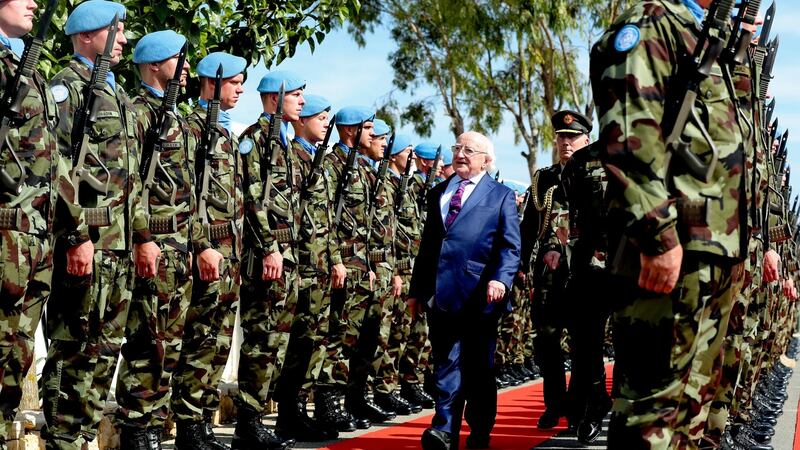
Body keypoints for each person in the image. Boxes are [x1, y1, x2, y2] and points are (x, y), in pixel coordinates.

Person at [591, 0, 747, 447]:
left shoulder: (702, 36)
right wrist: (658, 236)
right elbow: (628, 129)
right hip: (674, 246)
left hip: (711, 249)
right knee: (651, 412)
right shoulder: (653, 22)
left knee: (690, 414)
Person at [41, 2, 159, 448]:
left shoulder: (118, 96)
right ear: (90, 35)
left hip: (120, 247)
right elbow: (57, 168)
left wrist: (143, 237)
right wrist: (74, 236)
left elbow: (132, 180)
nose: (125, 41)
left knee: (105, 350)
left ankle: (82, 435)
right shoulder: (66, 89)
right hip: (87, 245)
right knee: (75, 349)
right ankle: (64, 440)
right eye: (117, 31)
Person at [0, 0, 84, 446]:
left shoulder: (24, 66)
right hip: (7, 232)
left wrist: (76, 230)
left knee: (17, 351)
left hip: (33, 236)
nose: (34, 2)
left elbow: (54, 162)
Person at [409, 131, 521, 450]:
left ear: (486, 160)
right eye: (457, 147)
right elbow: (429, 246)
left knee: (478, 369)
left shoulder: (500, 196)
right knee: (445, 362)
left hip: (481, 296)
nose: (460, 154)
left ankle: (481, 427)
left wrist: (500, 278)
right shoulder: (439, 192)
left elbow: (511, 247)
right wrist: (418, 290)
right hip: (441, 292)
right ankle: (444, 429)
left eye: (469, 150)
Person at [114, 30, 194, 450]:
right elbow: (132, 183)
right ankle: (136, 430)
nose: (184, 67)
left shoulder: (173, 114)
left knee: (171, 343)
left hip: (179, 246)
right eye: (177, 59)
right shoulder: (140, 112)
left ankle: (153, 426)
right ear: (153, 64)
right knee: (148, 341)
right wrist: (144, 237)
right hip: (156, 246)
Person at [170, 52, 246, 450]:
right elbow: (187, 194)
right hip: (209, 250)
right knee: (198, 338)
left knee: (216, 342)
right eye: (234, 82)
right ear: (211, 83)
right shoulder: (192, 127)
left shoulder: (225, 131)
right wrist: (201, 244)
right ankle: (187, 426)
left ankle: (199, 421)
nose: (241, 88)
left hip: (230, 251)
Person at [233, 70, 304, 450]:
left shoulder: (284, 142)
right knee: (261, 340)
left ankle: (258, 418)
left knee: (276, 342)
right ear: (274, 98)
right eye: (296, 94)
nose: (302, 102)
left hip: (286, 257)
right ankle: (248, 424)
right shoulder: (255, 140)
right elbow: (252, 198)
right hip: (267, 258)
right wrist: (268, 247)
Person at [276, 93, 345, 441]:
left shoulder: (314, 159)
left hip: (318, 265)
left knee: (313, 342)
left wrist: (332, 259)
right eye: (319, 118)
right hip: (301, 265)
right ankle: (290, 412)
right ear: (302, 122)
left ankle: (299, 410)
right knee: (298, 343)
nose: (323, 125)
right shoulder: (294, 158)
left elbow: (326, 221)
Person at [557, 110, 613, 444]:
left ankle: (622, 408)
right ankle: (594, 407)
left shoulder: (649, 151)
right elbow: (565, 212)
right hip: (590, 266)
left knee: (632, 343)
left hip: (633, 266)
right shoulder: (583, 162)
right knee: (586, 345)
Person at [519, 112, 576, 430]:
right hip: (547, 275)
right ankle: (555, 405)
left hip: (583, 272)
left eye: (572, 136)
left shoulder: (596, 176)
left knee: (583, 343)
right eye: (561, 136)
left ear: (586, 140)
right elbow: (529, 227)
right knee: (547, 342)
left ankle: (580, 405)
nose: (565, 141)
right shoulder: (544, 179)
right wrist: (520, 265)